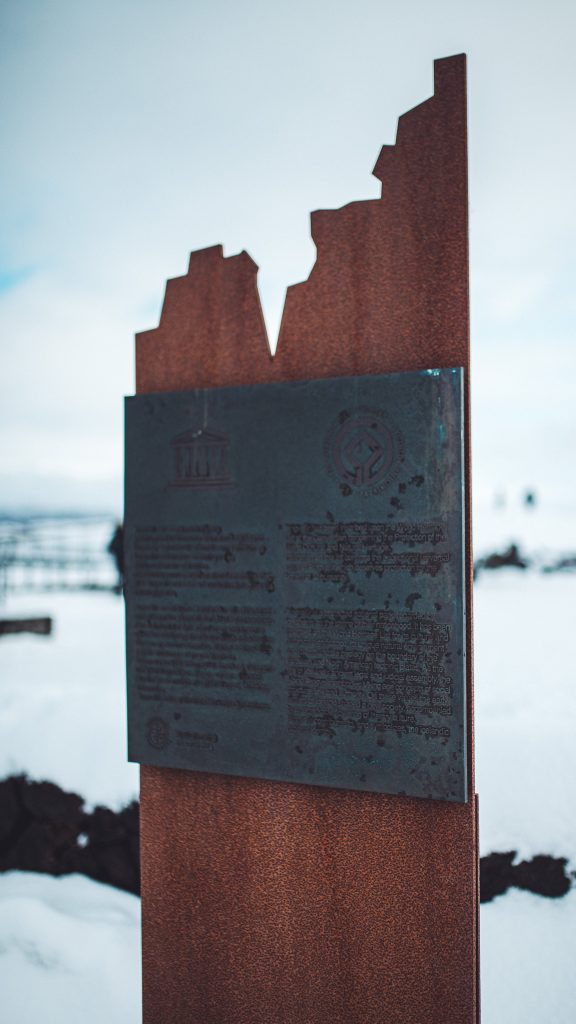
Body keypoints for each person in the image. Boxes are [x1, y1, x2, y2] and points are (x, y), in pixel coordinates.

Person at [107, 523, 124, 592]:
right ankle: (121, 586)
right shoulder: (123, 538)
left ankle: (120, 586)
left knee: (120, 574)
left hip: (119, 559)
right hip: (121, 559)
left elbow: (109, 548)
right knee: (121, 574)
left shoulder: (117, 538)